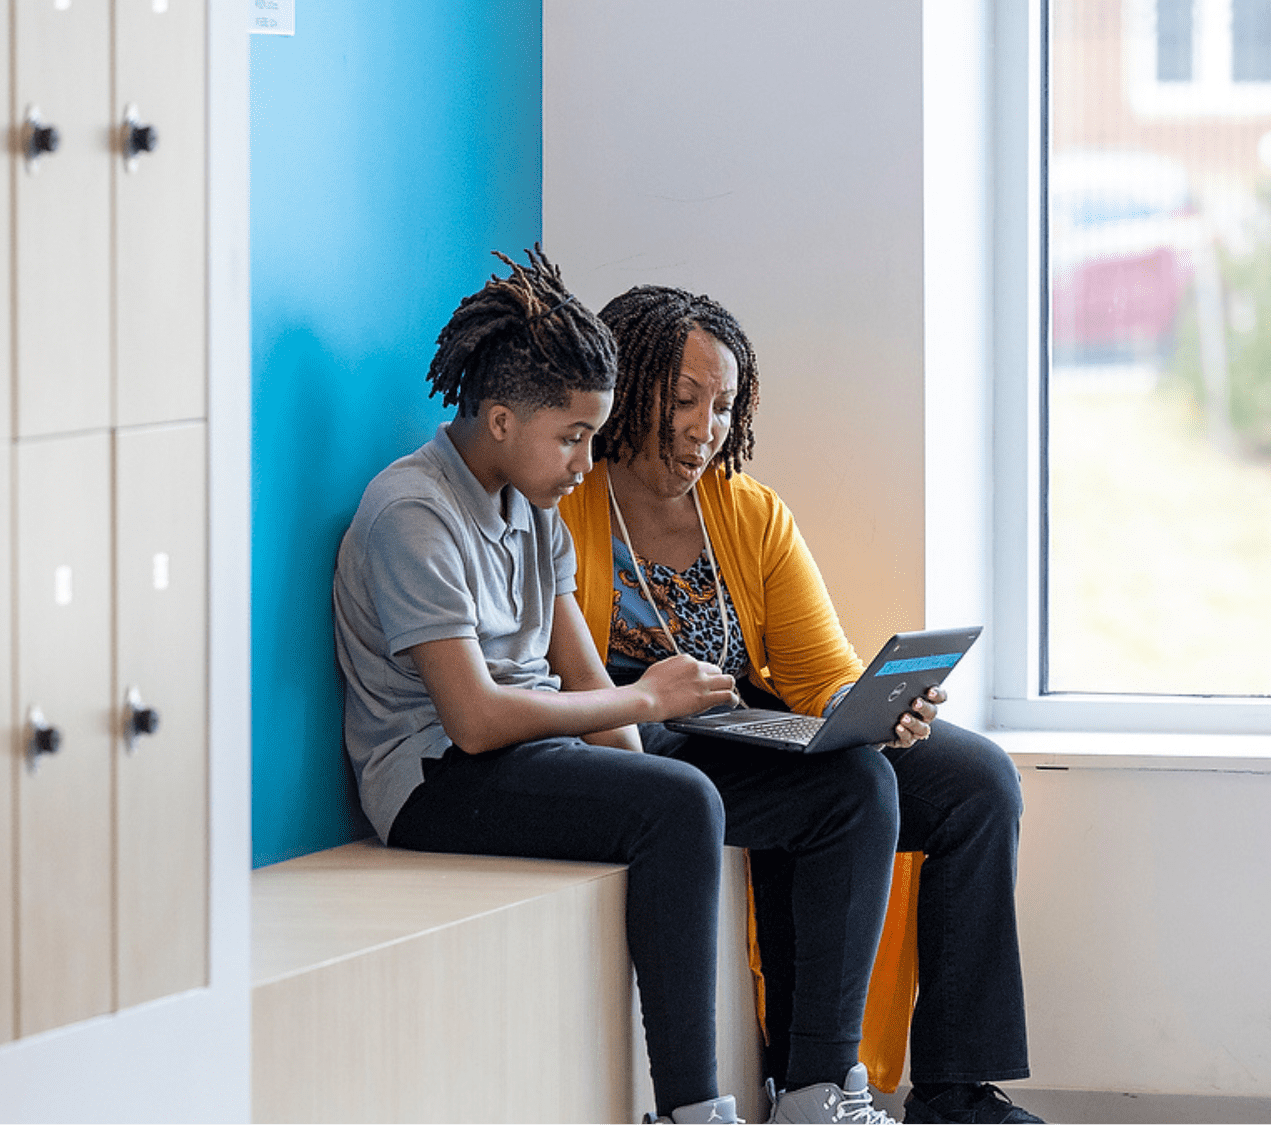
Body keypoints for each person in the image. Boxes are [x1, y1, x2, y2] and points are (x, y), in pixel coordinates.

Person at [331, 249, 902, 1125]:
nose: (586, 459)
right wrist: (649, 710)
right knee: (675, 804)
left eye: (592, 436)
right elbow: (477, 719)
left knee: (847, 784)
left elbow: (584, 681)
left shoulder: (537, 510)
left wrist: (648, 747)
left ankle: (819, 1090)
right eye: (572, 437)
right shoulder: (413, 513)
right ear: (496, 420)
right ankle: (691, 1110)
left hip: (540, 750)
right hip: (436, 779)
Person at [557, 284, 1045, 1125]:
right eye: (683, 399)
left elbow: (821, 676)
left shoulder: (749, 514)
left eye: (723, 405)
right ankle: (814, 1079)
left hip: (744, 727)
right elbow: (563, 684)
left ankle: (956, 1088)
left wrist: (881, 711)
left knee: (978, 781)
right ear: (627, 386)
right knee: (852, 789)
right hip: (636, 740)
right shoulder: (566, 507)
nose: (705, 426)